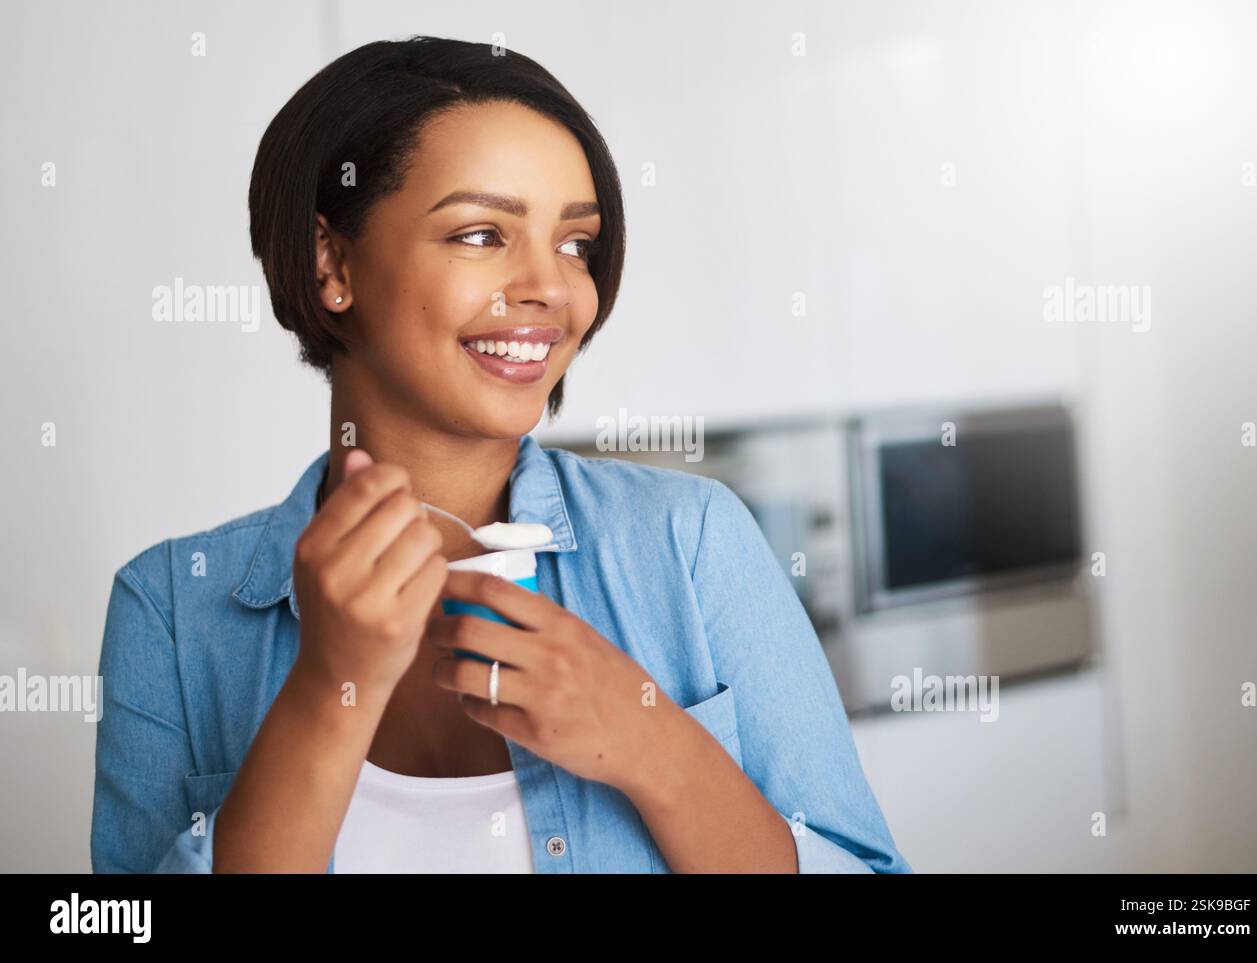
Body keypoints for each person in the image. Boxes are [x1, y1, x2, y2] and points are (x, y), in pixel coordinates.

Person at [90, 35, 910, 874]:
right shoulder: (171, 615)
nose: (554, 290)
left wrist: (652, 742)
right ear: (332, 261)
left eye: (575, 243)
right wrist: (325, 693)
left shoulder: (691, 543)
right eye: (482, 234)